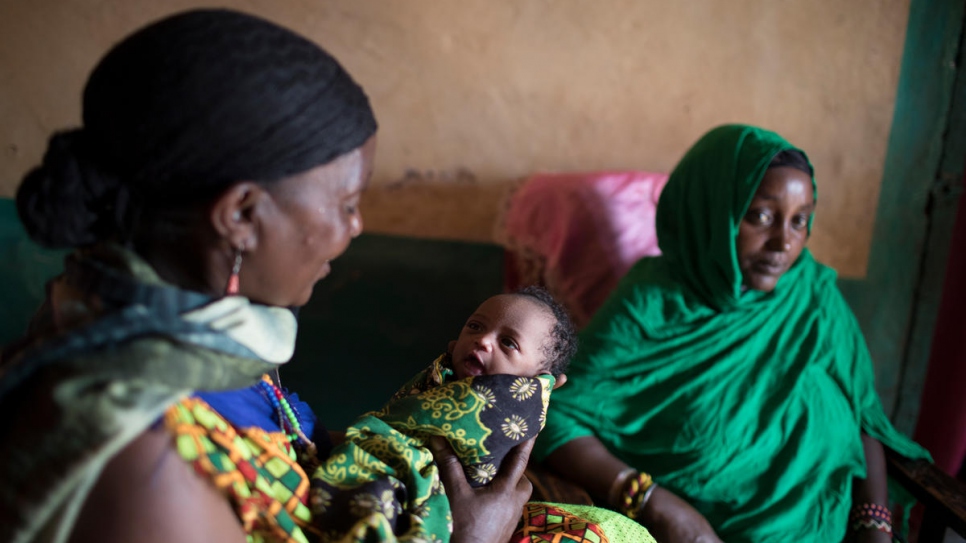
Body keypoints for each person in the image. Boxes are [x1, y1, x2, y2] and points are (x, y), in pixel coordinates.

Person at [0, 9, 534, 543]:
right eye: (346, 203)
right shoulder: (143, 466)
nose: (356, 227)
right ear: (240, 216)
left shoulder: (189, 337)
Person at [533, 124, 931, 543]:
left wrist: (874, 525)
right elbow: (558, 412)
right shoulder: (652, 302)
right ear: (711, 209)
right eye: (761, 215)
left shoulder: (812, 293)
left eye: (800, 220)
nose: (783, 243)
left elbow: (862, 413)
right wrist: (655, 502)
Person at [311, 287, 577, 541]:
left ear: (536, 382)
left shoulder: (509, 404)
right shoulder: (442, 375)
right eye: (475, 326)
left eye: (508, 342)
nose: (482, 340)